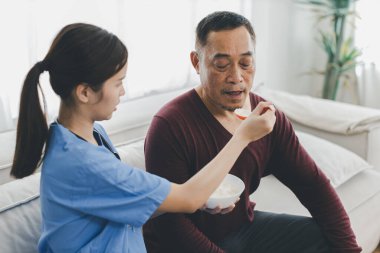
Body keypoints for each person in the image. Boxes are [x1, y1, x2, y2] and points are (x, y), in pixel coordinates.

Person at [10, 23, 276, 253]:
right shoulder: (82, 164)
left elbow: (121, 201)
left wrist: (201, 200)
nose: (123, 92)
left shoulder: (86, 137)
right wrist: (243, 136)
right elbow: (188, 197)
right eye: (118, 82)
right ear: (84, 93)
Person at [143, 11, 362, 253]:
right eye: (221, 65)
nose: (236, 77)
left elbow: (312, 185)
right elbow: (170, 226)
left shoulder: (266, 117)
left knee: (327, 238)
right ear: (197, 62)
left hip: (241, 230)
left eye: (246, 64)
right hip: (178, 246)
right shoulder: (169, 125)